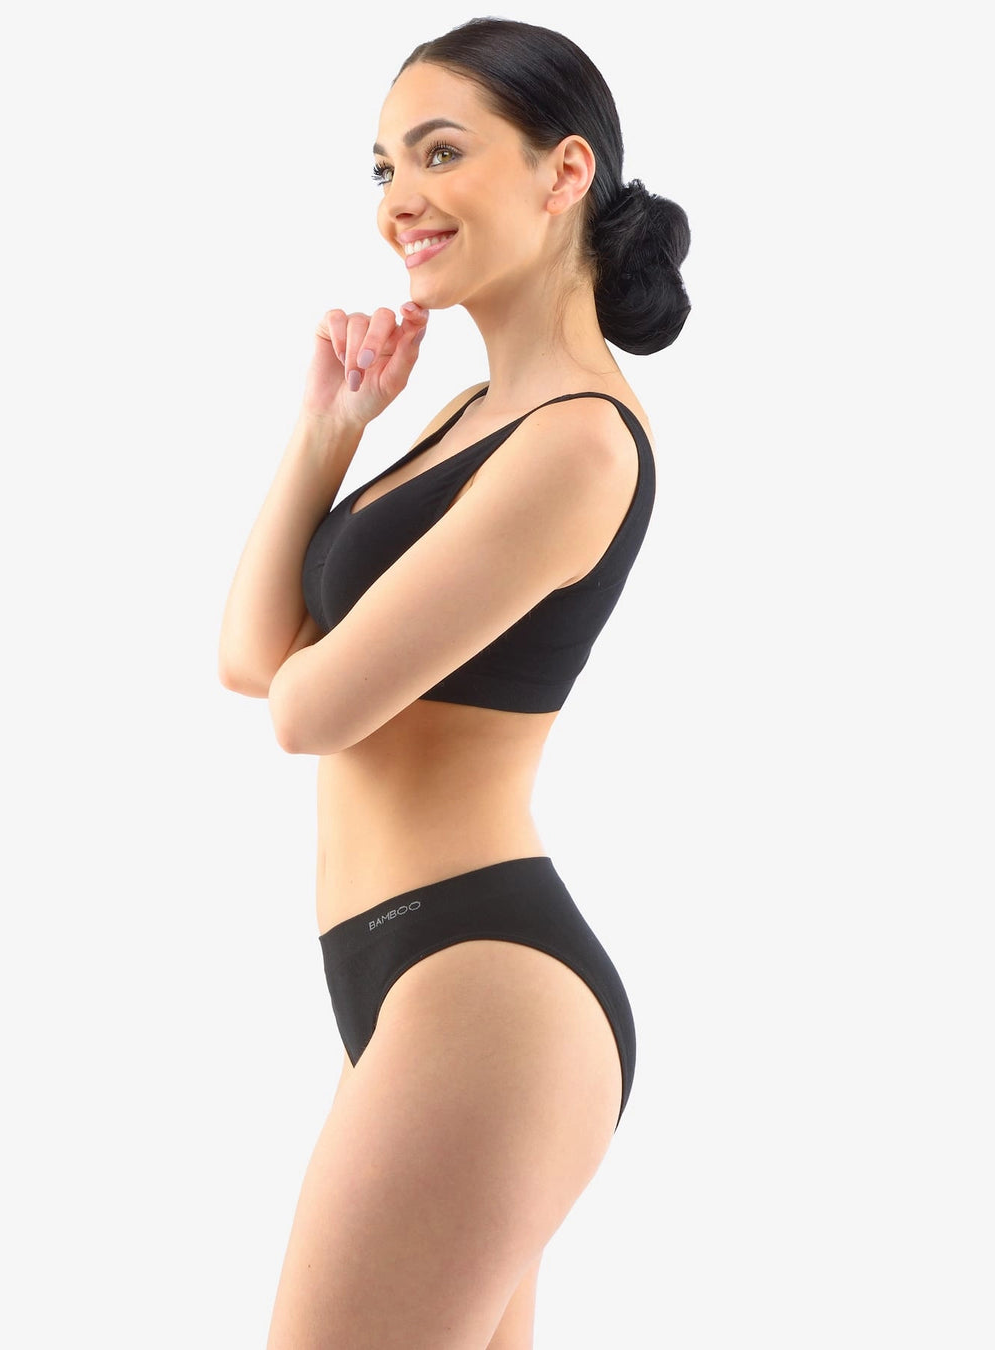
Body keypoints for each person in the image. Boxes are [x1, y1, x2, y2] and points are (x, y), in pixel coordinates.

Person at [218, 16, 690, 1348]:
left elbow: (312, 710)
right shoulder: (465, 417)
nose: (399, 199)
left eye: (440, 153)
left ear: (564, 171)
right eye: (382, 167)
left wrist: (310, 664)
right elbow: (253, 660)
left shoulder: (578, 442)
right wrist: (329, 431)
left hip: (486, 986)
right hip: (415, 979)